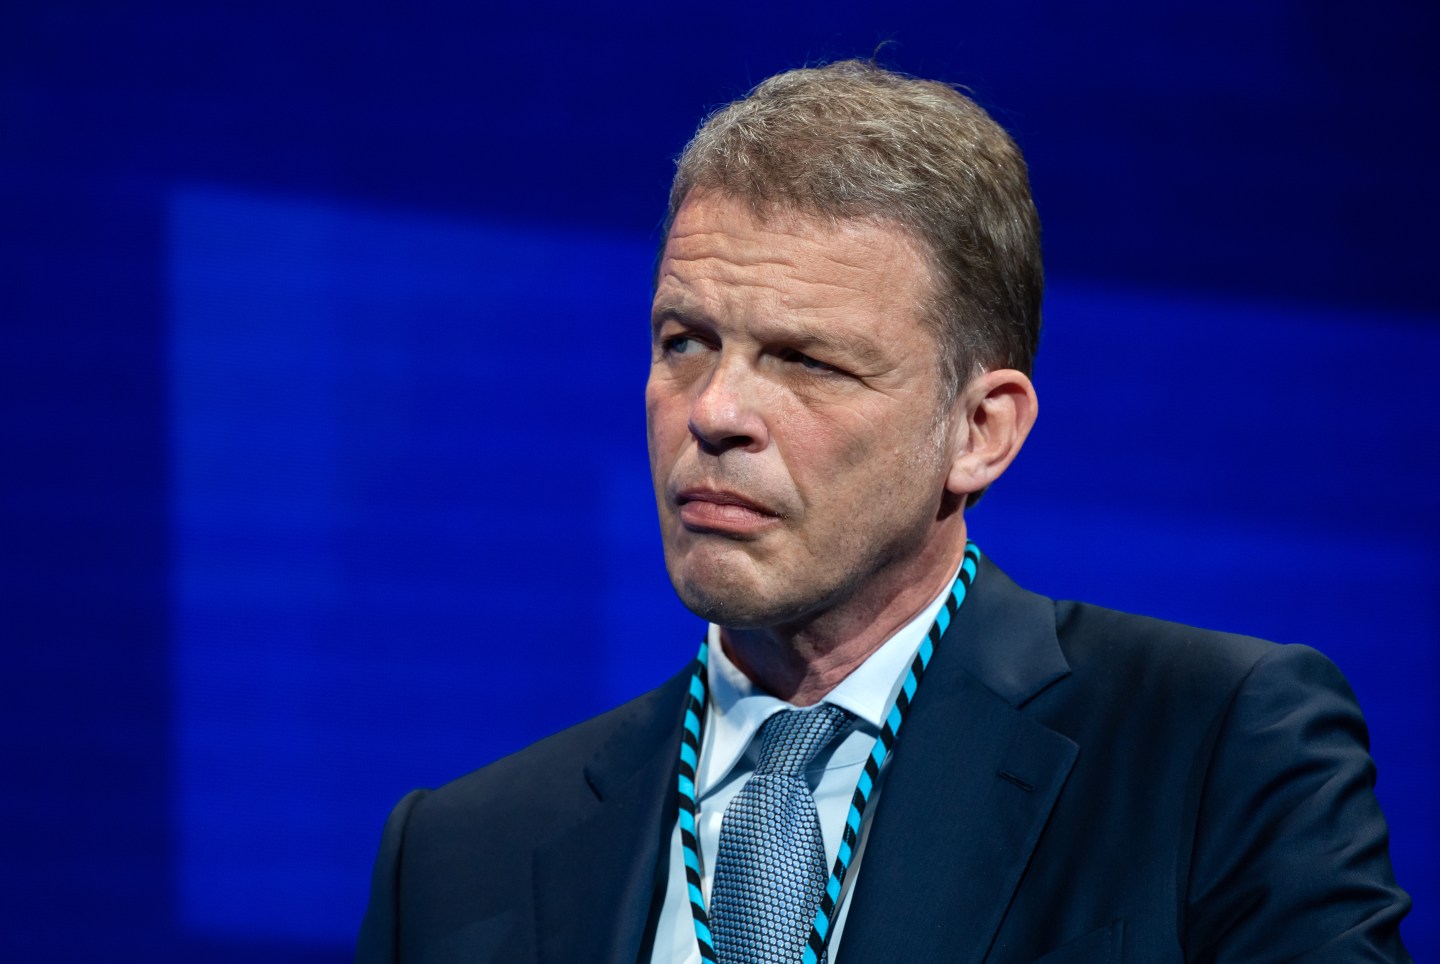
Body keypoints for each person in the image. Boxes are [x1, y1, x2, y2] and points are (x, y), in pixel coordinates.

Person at [356, 60, 1411, 963]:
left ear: (980, 430)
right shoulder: (456, 857)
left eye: (805, 360)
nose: (713, 412)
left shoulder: (1213, 751)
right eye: (685, 342)